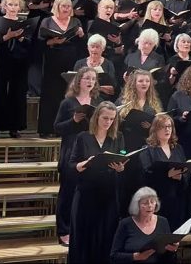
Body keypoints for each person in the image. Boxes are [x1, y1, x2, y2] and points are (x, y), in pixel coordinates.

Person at [68, 102, 128, 263]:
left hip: (108, 194)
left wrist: (120, 168)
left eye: (111, 119)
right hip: (86, 194)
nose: (108, 122)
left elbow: (122, 155)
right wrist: (86, 163)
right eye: (105, 118)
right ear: (96, 117)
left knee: (106, 236)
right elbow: (72, 165)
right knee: (84, 237)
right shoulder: (83, 137)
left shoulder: (118, 137)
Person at [53, 67, 99, 246]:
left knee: (86, 194)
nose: (90, 81)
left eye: (93, 79)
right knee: (68, 194)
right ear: (79, 80)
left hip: (90, 150)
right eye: (86, 78)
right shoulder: (68, 102)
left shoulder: (98, 101)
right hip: (71, 151)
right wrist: (74, 121)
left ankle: (80, 229)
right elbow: (57, 127)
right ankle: (64, 231)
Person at [38, 0, 86, 137]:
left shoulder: (76, 21)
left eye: (68, 6)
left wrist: (82, 35)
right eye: (63, 6)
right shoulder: (47, 21)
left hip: (71, 60)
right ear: (57, 7)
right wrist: (53, 41)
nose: (66, 9)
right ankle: (47, 129)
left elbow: (82, 45)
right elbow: (40, 43)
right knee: (51, 95)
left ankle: (65, 128)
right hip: (53, 61)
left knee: (68, 95)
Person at [0, 0, 31, 138]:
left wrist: (22, 39)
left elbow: (30, 45)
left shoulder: (24, 23)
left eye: (16, 4)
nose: (13, 7)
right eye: (10, 4)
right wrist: (8, 36)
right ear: (4, 6)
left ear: (20, 7)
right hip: (2, 59)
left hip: (19, 61)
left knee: (17, 93)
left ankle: (14, 127)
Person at [139, 114, 188, 230]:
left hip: (176, 199)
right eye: (163, 127)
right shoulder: (147, 150)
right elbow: (145, 175)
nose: (167, 130)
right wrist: (166, 175)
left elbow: (186, 171)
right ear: (155, 129)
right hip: (157, 201)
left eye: (169, 126)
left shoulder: (178, 148)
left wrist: (181, 177)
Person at [109, 186, 179, 263]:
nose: (150, 205)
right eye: (145, 203)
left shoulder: (163, 221)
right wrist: (135, 257)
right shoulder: (125, 224)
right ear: (137, 205)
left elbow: (168, 258)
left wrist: (172, 250)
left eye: (152, 202)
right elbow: (114, 256)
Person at [117, 69, 162, 150]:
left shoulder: (155, 102)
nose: (144, 83)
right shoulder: (123, 101)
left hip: (147, 144)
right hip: (127, 141)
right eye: (140, 81)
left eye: (147, 81)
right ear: (134, 83)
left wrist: (151, 127)